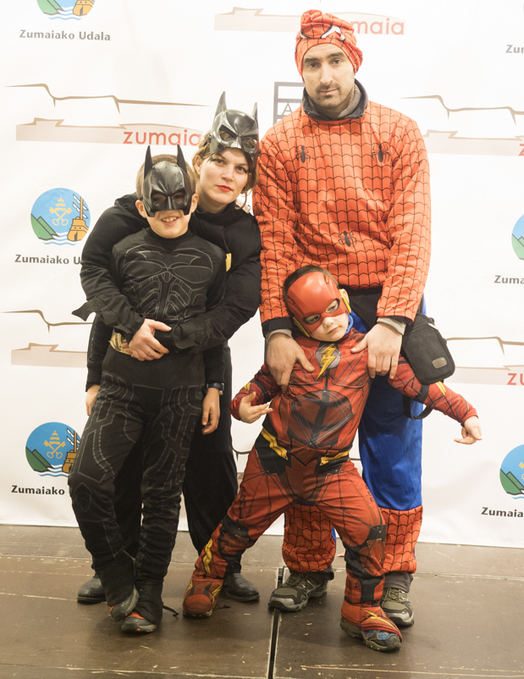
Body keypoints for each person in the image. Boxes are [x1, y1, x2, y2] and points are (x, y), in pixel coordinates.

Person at [182, 266, 482, 653]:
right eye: (313, 318)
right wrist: (242, 406)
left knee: (369, 529)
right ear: (295, 321)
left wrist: (466, 412)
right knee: (237, 528)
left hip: (331, 470)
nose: (328, 322)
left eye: (333, 308)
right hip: (275, 464)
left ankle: (362, 608)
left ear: (343, 298)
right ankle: (206, 578)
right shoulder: (290, 349)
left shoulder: (367, 348)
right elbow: (257, 386)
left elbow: (419, 385)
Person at [252, 9, 432, 625]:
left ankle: (393, 573)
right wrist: (277, 329)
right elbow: (274, 242)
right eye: (312, 64)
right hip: (311, 311)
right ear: (299, 70)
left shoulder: (400, 132)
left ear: (354, 61)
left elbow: (412, 231)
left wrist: (393, 321)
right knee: (310, 444)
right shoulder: (279, 143)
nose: (324, 75)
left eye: (335, 61)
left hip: (387, 305)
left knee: (392, 442)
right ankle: (307, 567)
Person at [75, 94, 262, 606]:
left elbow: (230, 312)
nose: (227, 175)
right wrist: (106, 361)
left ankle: (219, 564)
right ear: (199, 160)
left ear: (249, 180)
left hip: (199, 363)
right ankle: (118, 562)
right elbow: (99, 282)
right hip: (129, 361)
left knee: (212, 463)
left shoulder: (243, 233)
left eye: (241, 168)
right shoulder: (138, 208)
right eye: (219, 161)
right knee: (123, 465)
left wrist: (212, 381)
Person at [69, 146, 227, 634]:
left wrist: (215, 387)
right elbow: (104, 316)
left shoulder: (212, 256)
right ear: (142, 206)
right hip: (121, 387)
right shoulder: (120, 250)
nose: (170, 211)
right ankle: (115, 572)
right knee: (86, 479)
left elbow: (214, 330)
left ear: (193, 202)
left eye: (179, 202)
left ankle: (150, 594)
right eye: (159, 203)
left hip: (182, 393)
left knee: (161, 497)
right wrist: (94, 378)